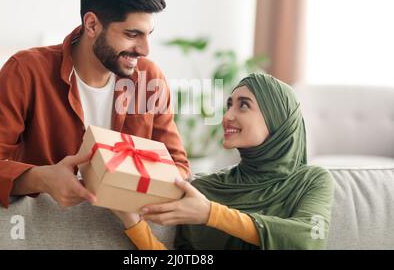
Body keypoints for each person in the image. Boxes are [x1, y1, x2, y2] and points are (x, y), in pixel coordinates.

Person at [0, 0, 190, 209]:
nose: (145, 49)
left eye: (148, 34)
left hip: (124, 231)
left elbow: (177, 168)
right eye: (132, 34)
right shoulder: (26, 71)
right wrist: (41, 178)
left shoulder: (149, 79)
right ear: (92, 25)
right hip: (45, 231)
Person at [112, 73, 335, 249]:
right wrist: (133, 223)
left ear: (277, 118)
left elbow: (309, 240)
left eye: (244, 105)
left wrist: (211, 214)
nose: (227, 116)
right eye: (229, 105)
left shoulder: (311, 180)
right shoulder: (203, 190)